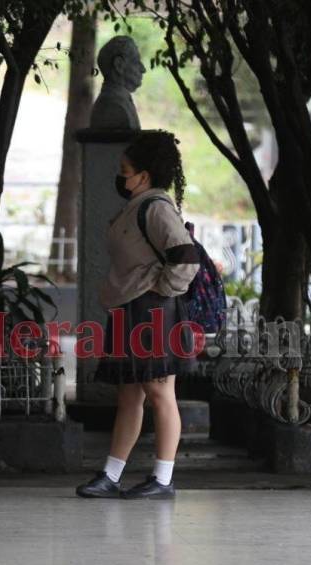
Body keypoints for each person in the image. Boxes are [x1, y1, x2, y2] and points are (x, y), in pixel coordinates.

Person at [75, 130, 199, 500]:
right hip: (133, 309)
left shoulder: (155, 207)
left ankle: (162, 479)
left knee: (160, 393)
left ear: (143, 175)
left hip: (152, 312)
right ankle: (111, 475)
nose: (120, 176)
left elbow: (186, 258)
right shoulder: (138, 205)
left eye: (125, 170)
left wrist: (159, 290)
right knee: (130, 395)